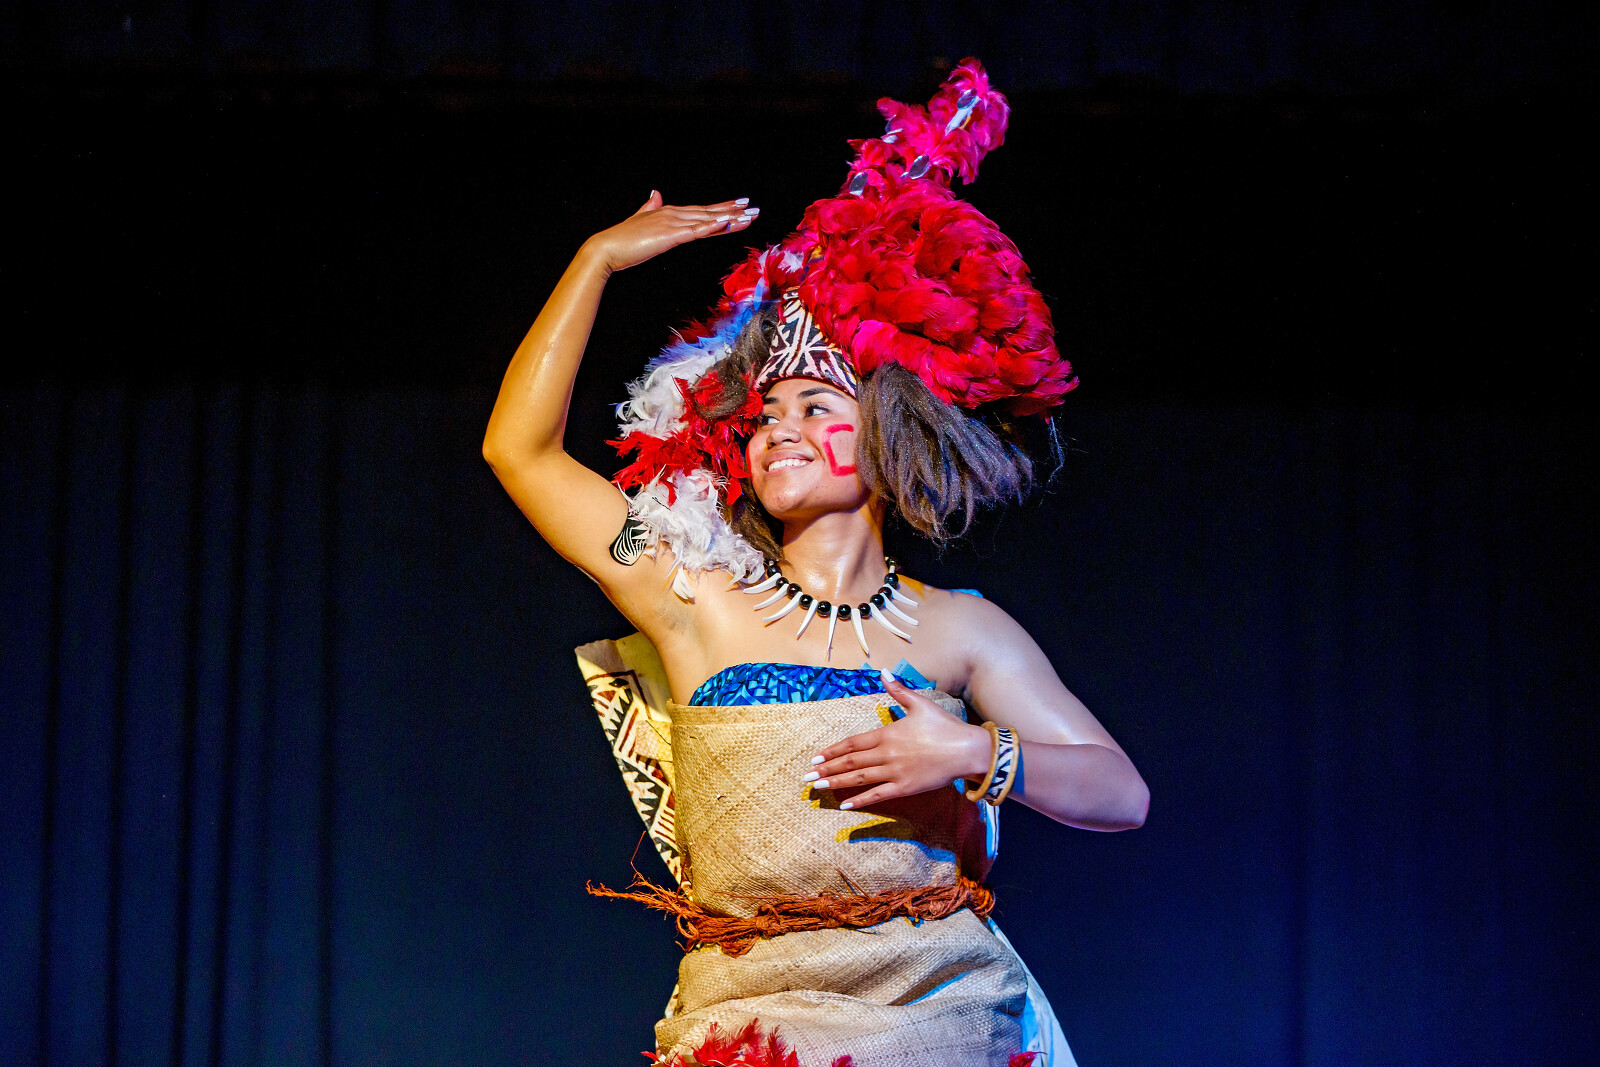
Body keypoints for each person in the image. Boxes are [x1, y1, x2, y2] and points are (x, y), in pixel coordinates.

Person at [482, 60, 1147, 1067]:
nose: (778, 430)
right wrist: (594, 262)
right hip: (749, 1018)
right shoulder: (693, 590)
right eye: (765, 415)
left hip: (938, 1017)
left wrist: (976, 753)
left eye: (815, 407)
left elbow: (1119, 793)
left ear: (885, 436)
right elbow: (519, 451)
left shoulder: (958, 628)